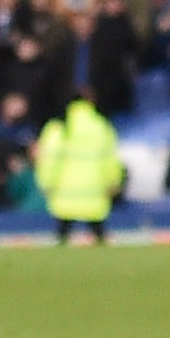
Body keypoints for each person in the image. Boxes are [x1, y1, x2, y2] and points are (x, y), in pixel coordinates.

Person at [39, 91, 125, 244]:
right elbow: (109, 159)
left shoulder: (58, 127)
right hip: (94, 193)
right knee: (100, 238)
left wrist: (46, 183)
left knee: (61, 239)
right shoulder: (101, 126)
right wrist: (114, 182)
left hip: (64, 194)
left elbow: (49, 160)